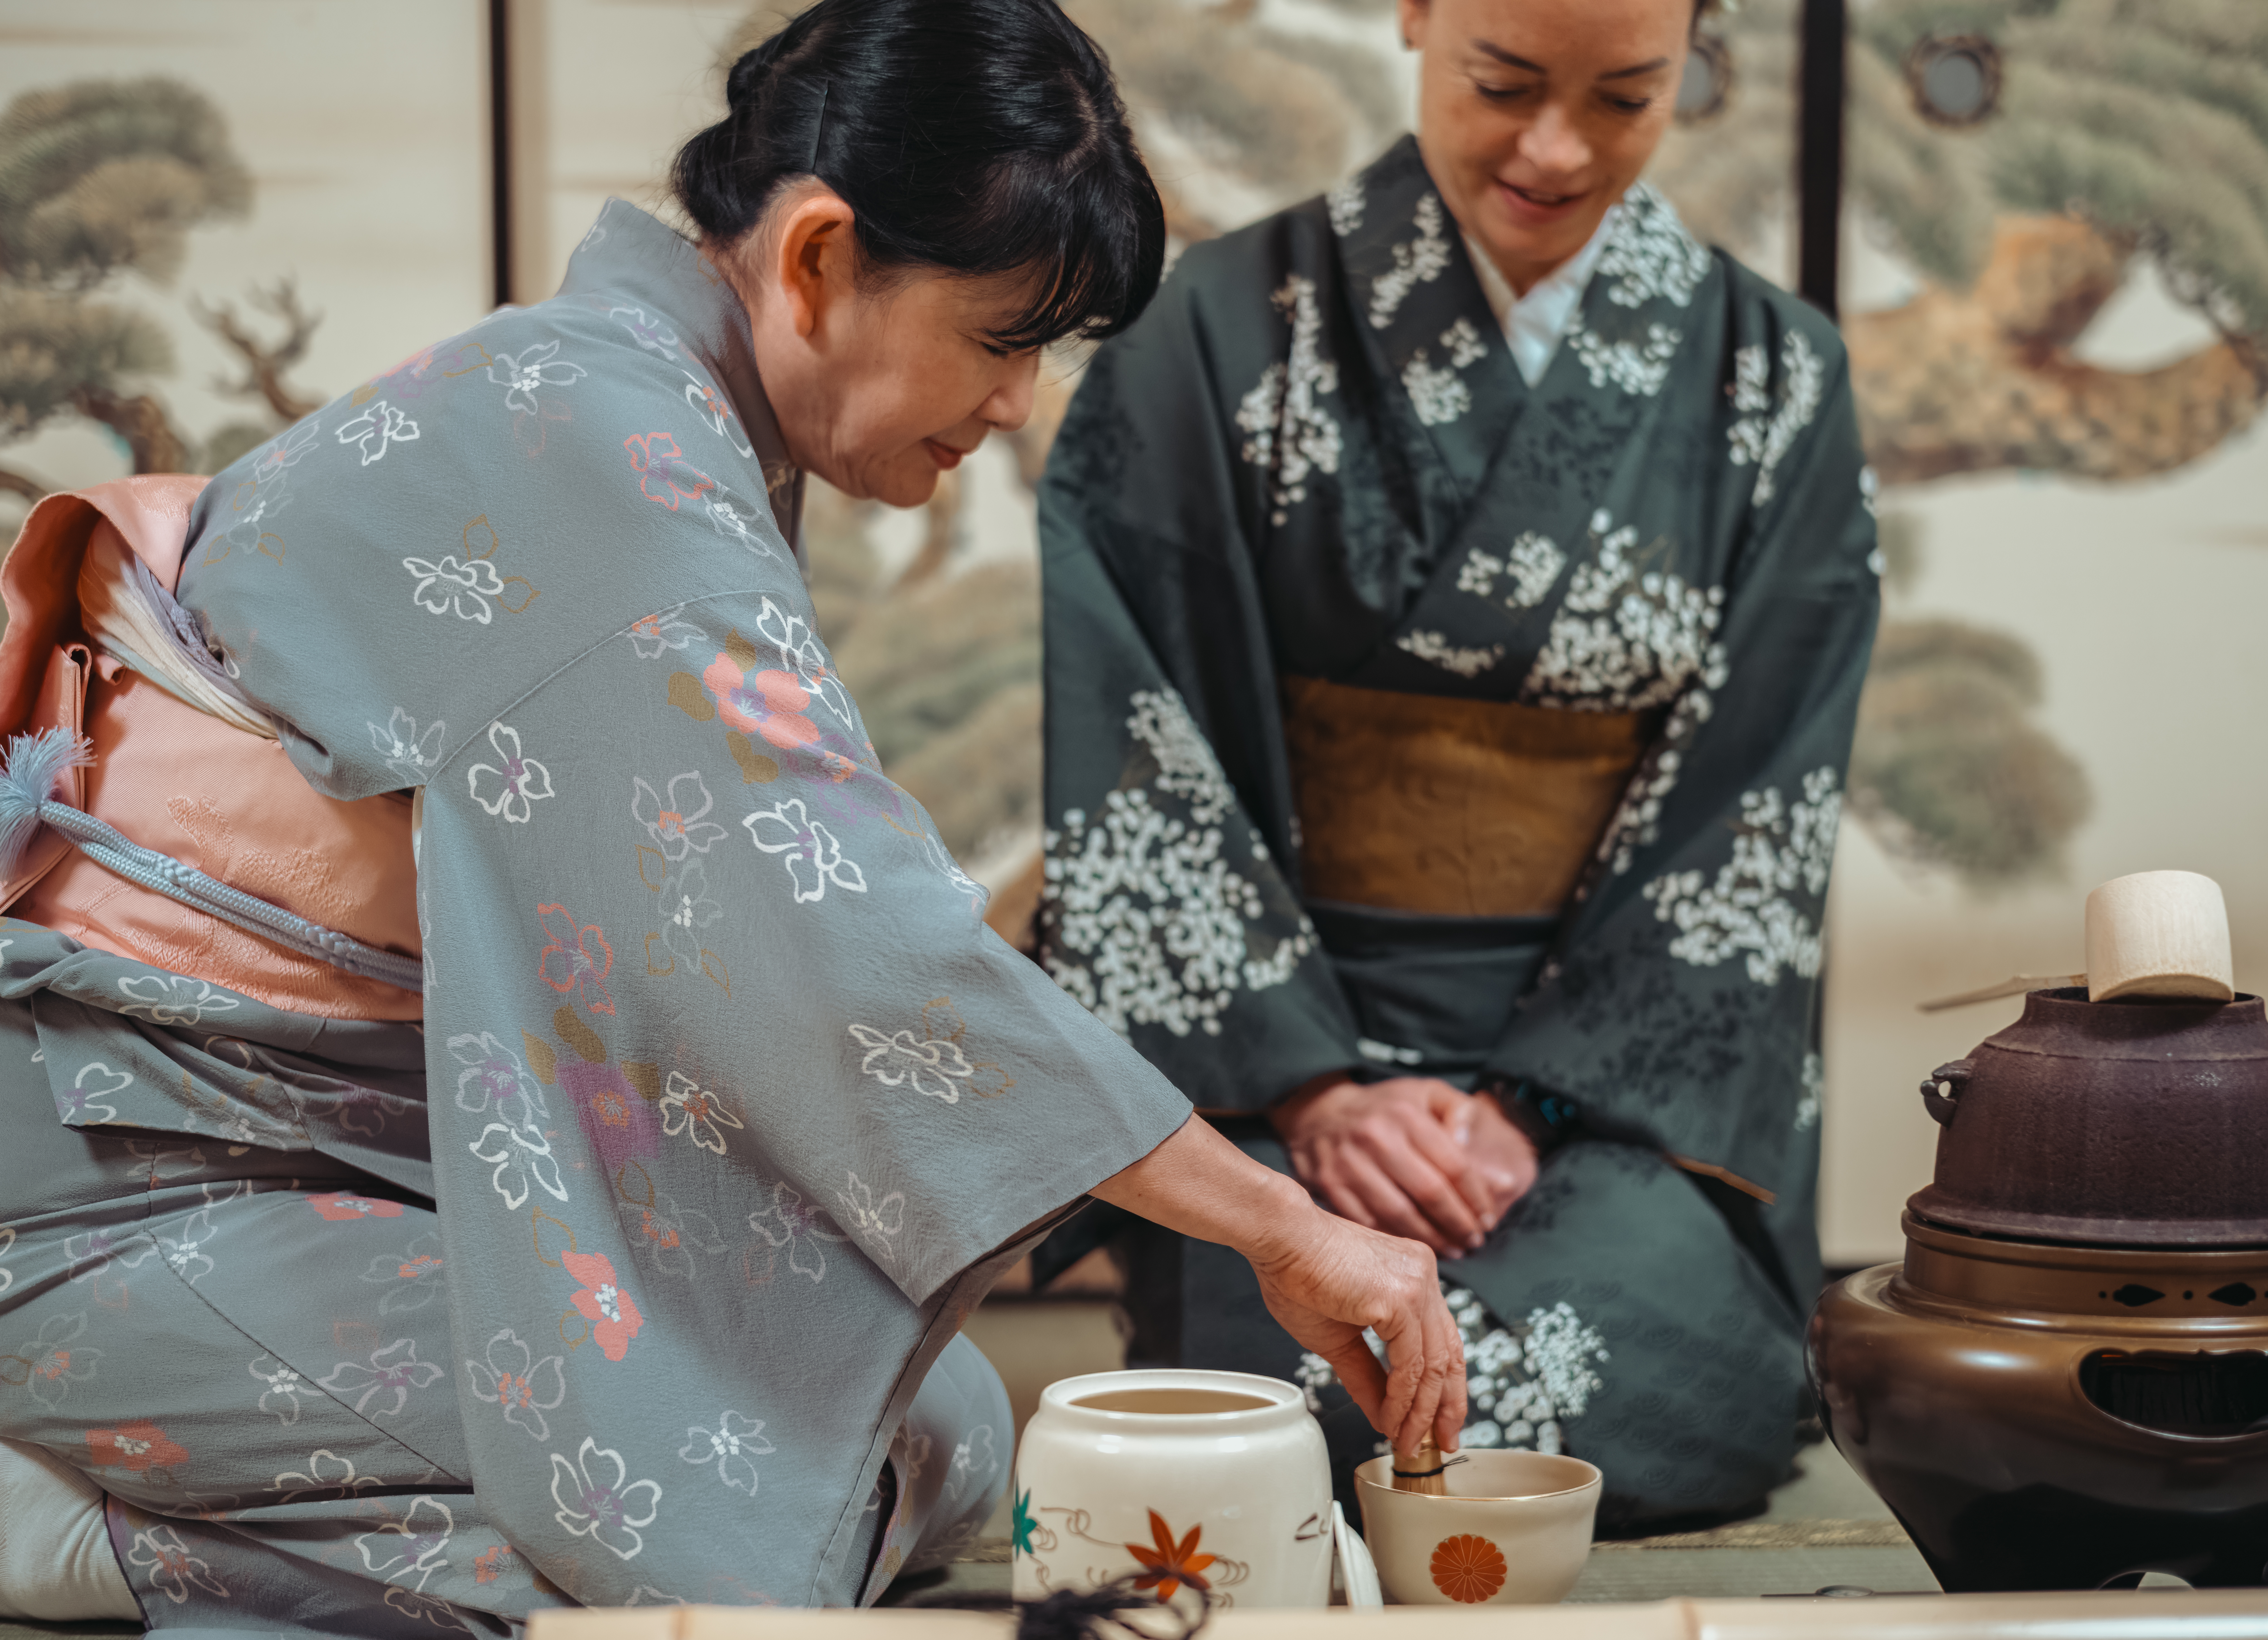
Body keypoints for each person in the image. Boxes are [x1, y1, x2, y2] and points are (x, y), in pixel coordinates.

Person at [0, 2, 1464, 1629]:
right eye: (999, 338)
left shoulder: (651, 419)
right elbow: (845, 953)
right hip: (119, 1180)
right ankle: (72, 1535)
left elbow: (735, 946)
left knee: (944, 1430)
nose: (1012, 404)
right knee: (706, 1532)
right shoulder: (601, 450)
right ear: (822, 256)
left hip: (320, 1149)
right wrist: (1282, 1224)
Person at [1035, 0, 1877, 1529]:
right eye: (1502, 83)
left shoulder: (1774, 378)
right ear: (1415, 17)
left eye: (1625, 97)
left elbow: (1755, 799)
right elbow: (1140, 733)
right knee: (1268, 1364)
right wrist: (1314, 1090)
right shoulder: (1212, 333)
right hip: (1286, 1064)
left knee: (1667, 1374)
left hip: (1592, 1105)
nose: (1554, 149)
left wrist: (1522, 1107)